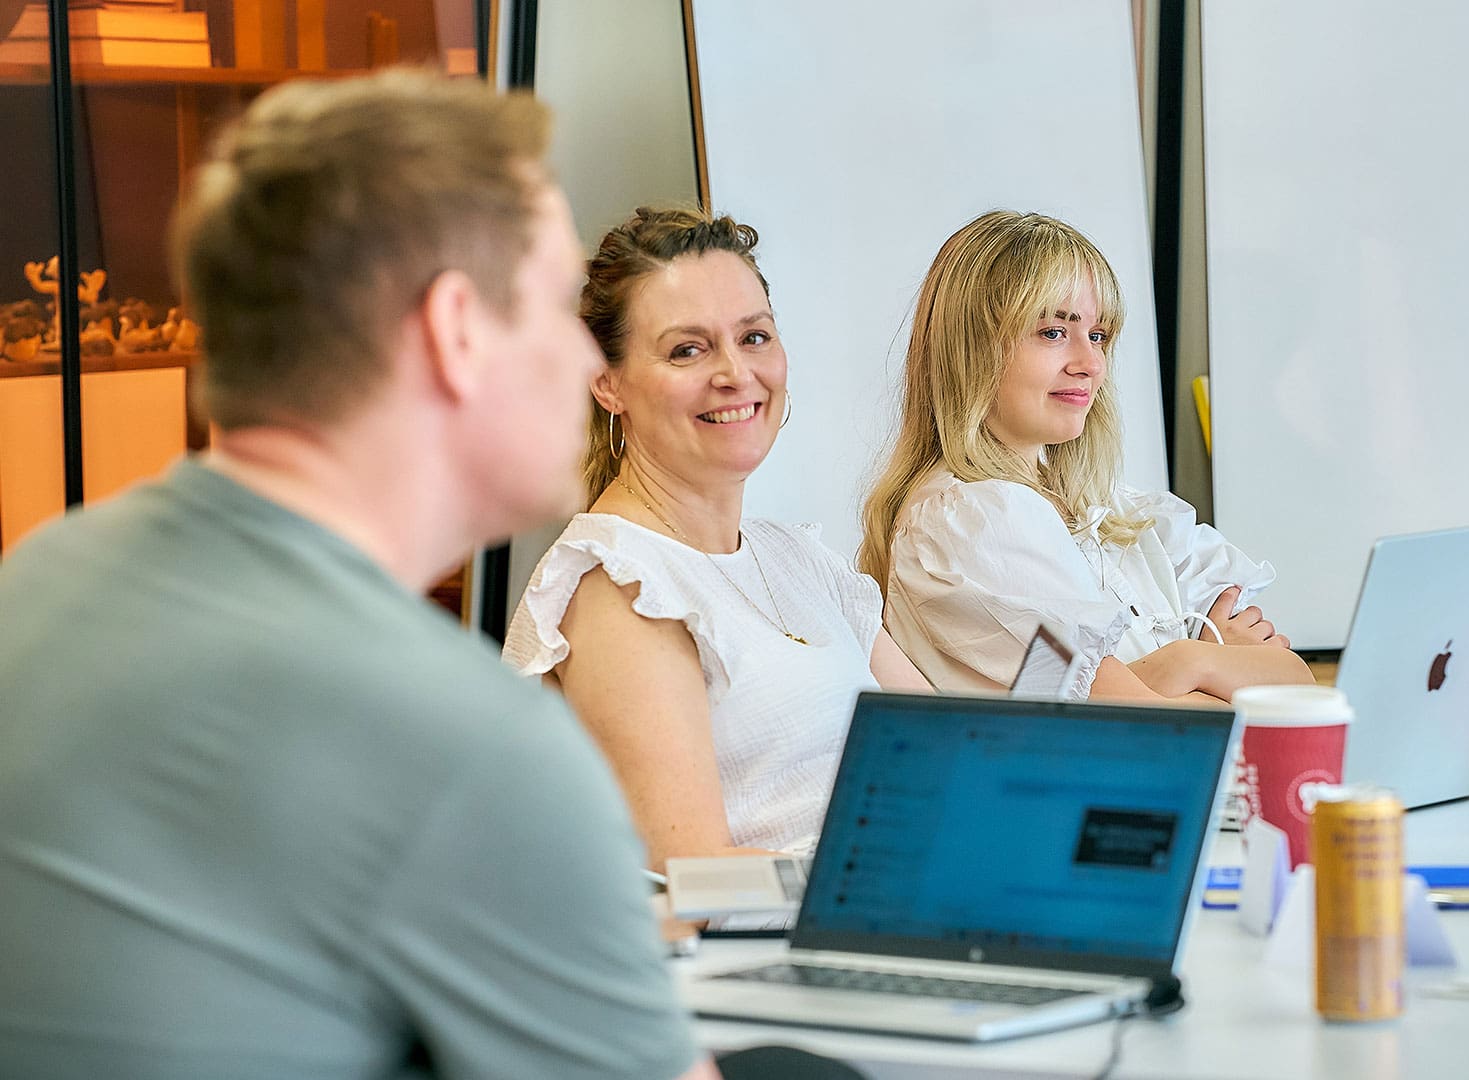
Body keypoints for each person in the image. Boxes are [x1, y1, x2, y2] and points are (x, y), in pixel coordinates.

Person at [0, 72, 716, 1079]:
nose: (580, 360)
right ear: (455, 330)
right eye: (558, 307)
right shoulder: (466, 738)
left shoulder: (40, 581)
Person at [504, 207, 931, 865]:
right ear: (607, 383)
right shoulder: (618, 583)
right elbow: (693, 873)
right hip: (761, 950)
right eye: (688, 349)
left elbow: (955, 748)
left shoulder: (797, 557)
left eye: (754, 337)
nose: (736, 373)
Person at [860, 210, 1313, 701]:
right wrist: (1203, 659)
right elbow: (1146, 732)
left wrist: (1190, 664)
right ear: (972, 349)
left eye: (1098, 335)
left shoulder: (1118, 514)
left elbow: (1298, 684)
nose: (1091, 364)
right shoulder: (971, 520)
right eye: (1054, 332)